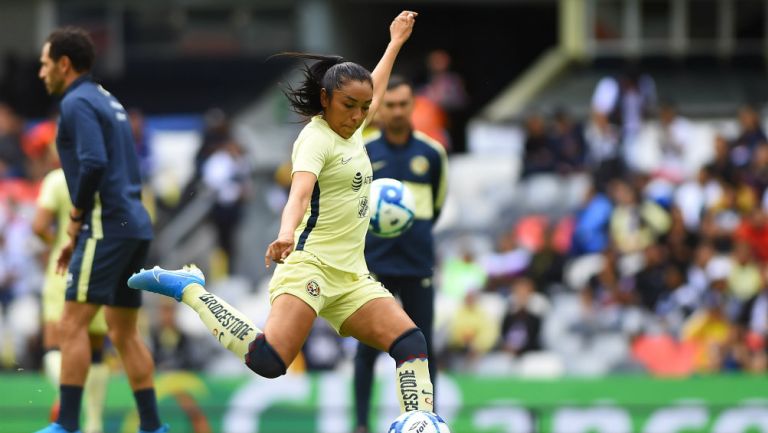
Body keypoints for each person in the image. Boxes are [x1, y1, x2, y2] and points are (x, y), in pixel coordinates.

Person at [129, 9, 436, 420]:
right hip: (309, 267)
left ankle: (423, 424)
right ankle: (190, 289)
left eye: (364, 108)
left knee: (411, 344)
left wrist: (395, 42)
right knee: (270, 362)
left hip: (352, 276)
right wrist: (286, 232)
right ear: (325, 100)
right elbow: (300, 191)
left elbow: (374, 90)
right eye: (350, 106)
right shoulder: (316, 139)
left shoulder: (353, 126)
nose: (359, 115)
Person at [35, 27, 163, 433]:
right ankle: (152, 426)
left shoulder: (76, 103)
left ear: (64, 64)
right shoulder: (107, 99)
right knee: (123, 331)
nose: (40, 72)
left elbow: (92, 163)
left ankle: (67, 426)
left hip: (107, 224)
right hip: (134, 223)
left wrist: (75, 222)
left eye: (44, 63)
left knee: (71, 324)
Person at [353, 75, 447, 433]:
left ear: (412, 106)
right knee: (366, 351)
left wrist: (412, 233)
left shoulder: (431, 153)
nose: (395, 111)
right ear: (380, 109)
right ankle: (361, 424)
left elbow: (436, 205)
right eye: (389, 105)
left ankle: (427, 422)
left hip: (416, 262)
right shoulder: (365, 149)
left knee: (423, 346)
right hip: (374, 264)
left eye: (402, 104)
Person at [32, 154, 110, 433]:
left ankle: (67, 408)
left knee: (55, 344)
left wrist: (56, 243)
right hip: (102, 265)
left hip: (64, 266)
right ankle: (94, 423)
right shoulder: (109, 180)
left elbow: (39, 226)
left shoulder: (57, 180)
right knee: (95, 349)